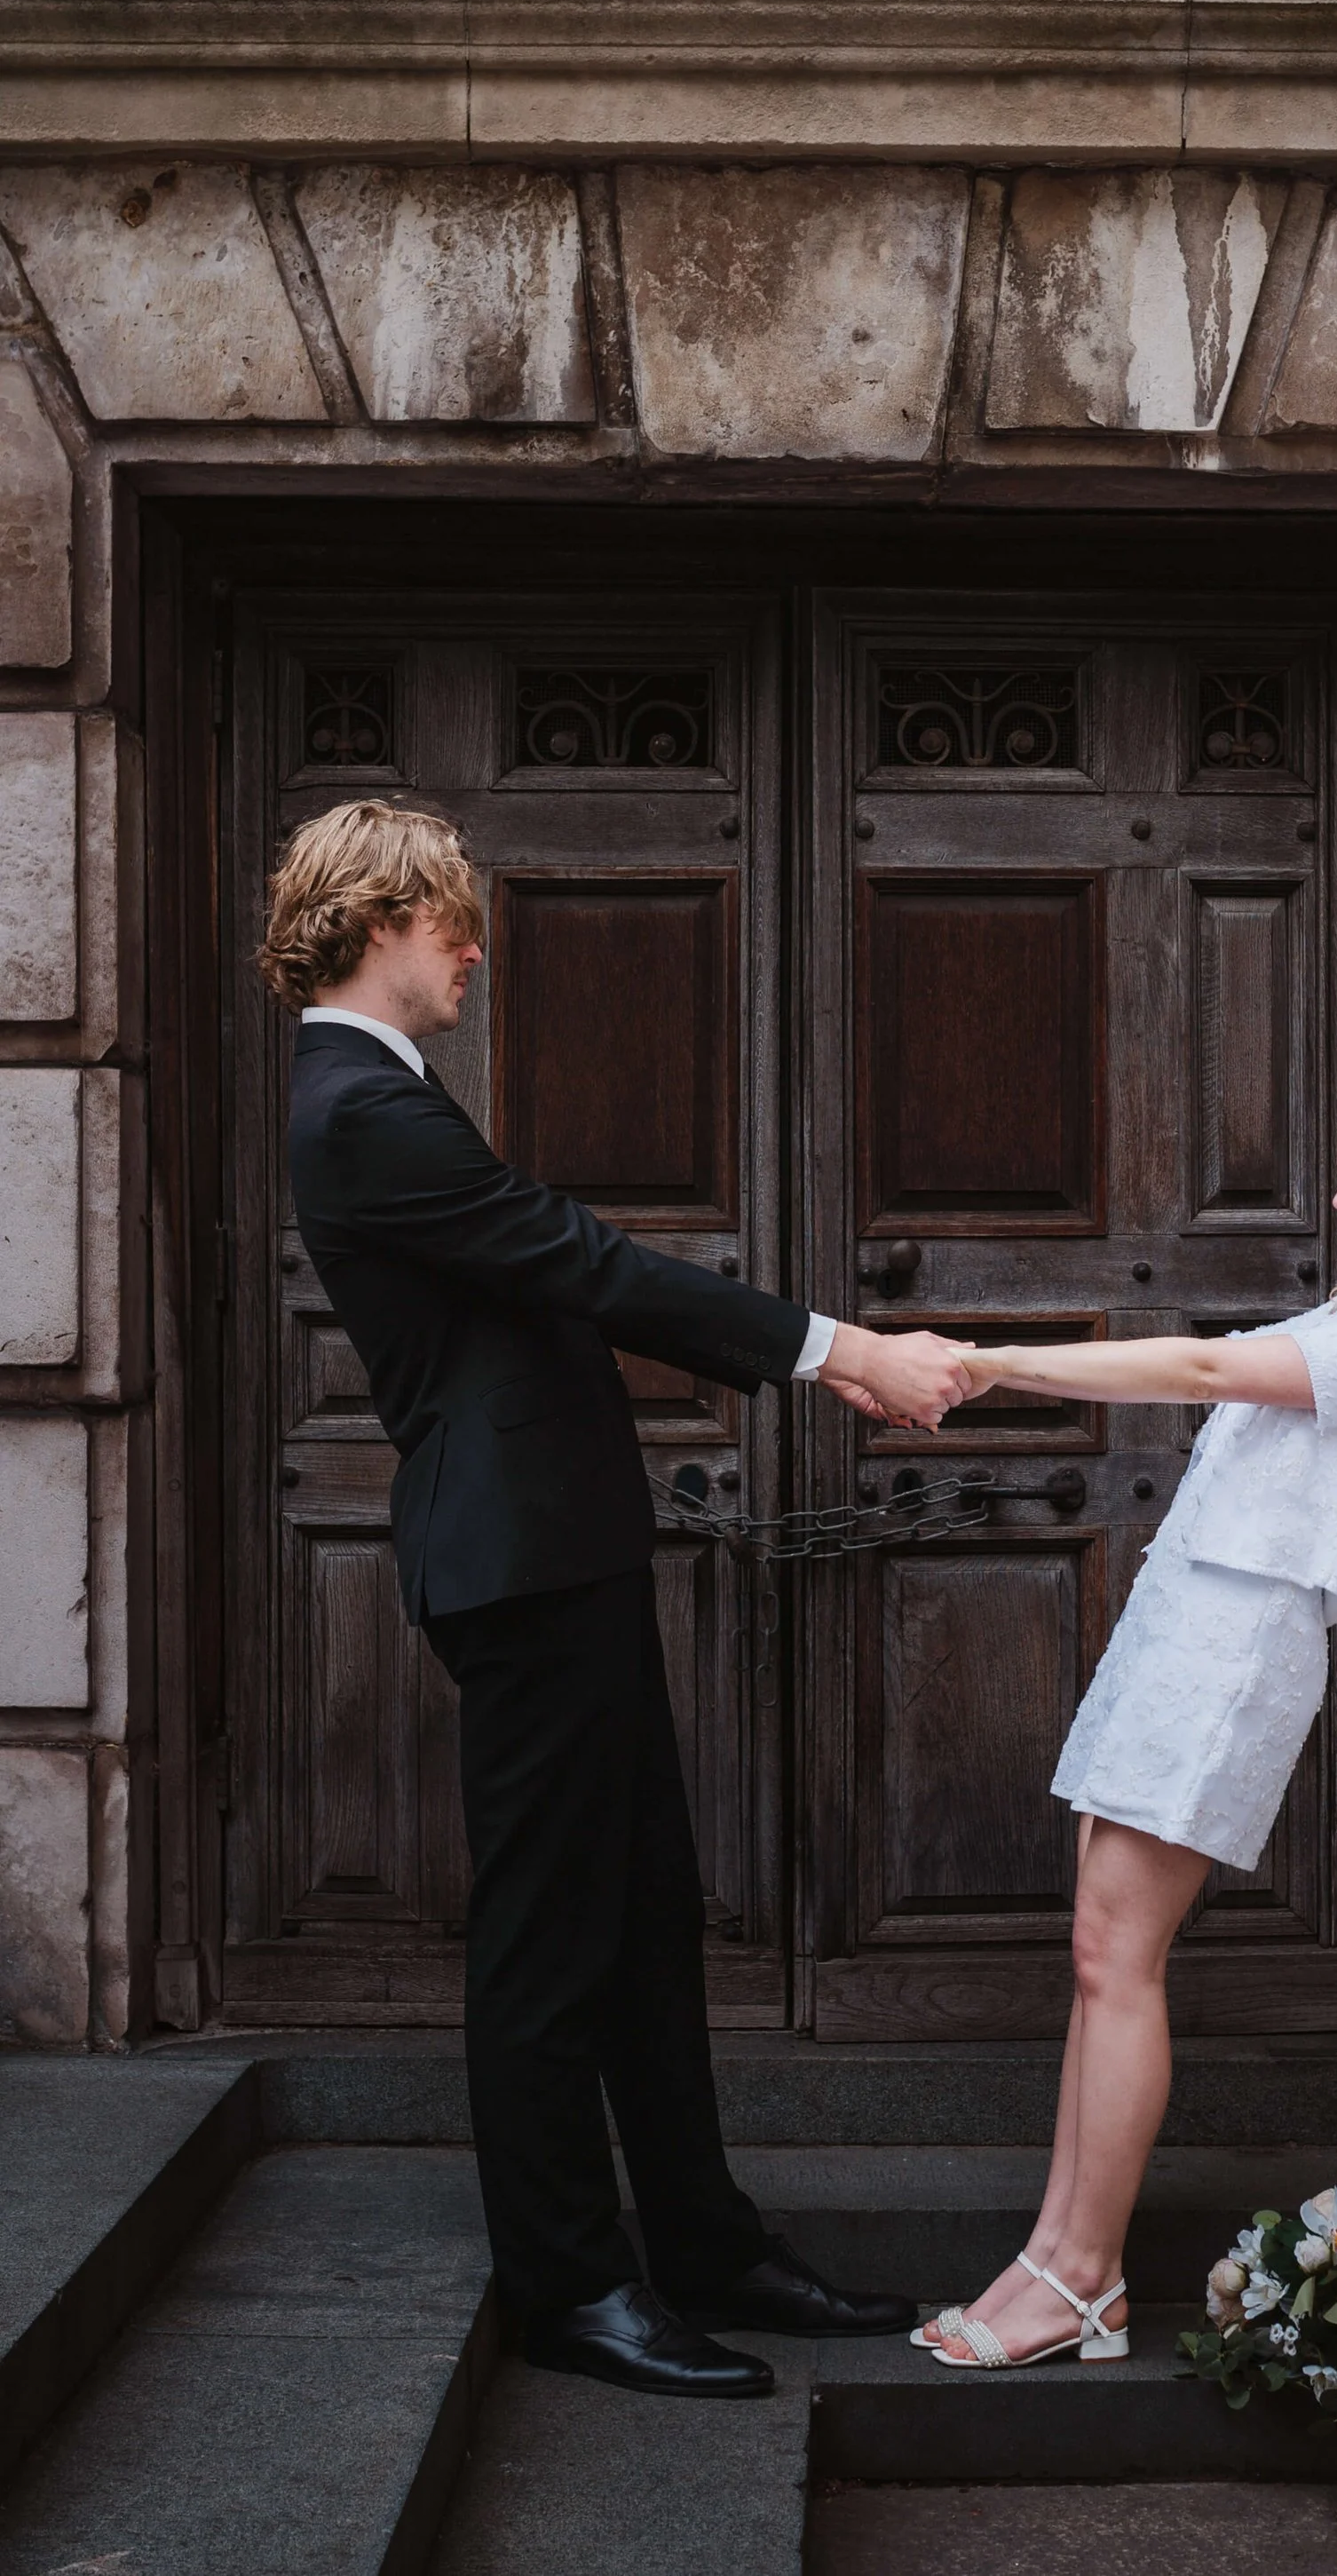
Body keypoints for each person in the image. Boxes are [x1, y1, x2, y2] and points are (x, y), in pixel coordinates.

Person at [261, 799, 969, 2400]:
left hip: (556, 1553)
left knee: (643, 1919)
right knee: (547, 1940)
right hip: (518, 1570)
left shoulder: (385, 1091)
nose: (473, 949)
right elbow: (575, 1261)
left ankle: (706, 2244)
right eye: (454, 921)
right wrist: (836, 1350)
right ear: (383, 922)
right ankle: (572, 2284)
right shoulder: (356, 1104)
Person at [921, 1073, 1337, 2373]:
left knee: (1122, 1957)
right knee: (1100, 1948)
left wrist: (993, 1361)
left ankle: (1086, 2276)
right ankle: (1051, 2259)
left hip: (1236, 1647)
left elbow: (1208, 1364)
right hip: (1190, 1625)